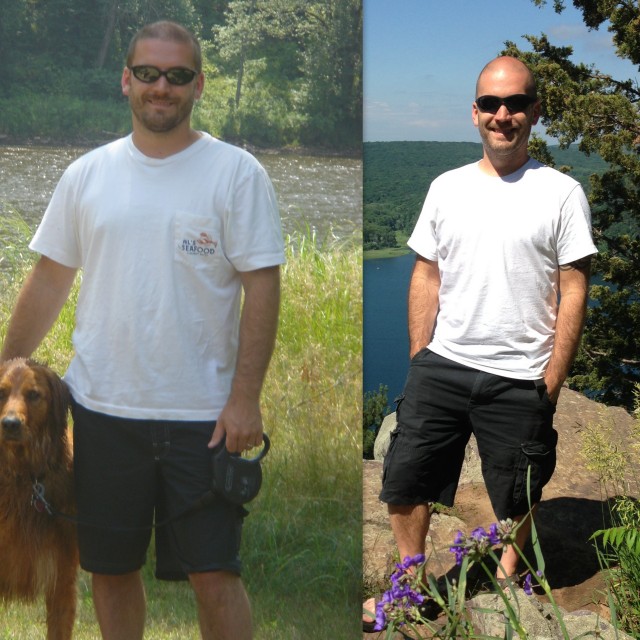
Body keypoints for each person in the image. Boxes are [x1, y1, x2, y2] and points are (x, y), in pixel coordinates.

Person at [1, 20, 284, 640]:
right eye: (150, 73)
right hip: (102, 414)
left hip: (204, 420)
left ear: (198, 84)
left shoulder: (236, 174)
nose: (163, 87)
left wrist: (245, 398)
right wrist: (2, 370)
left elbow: (263, 288)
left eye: (178, 75)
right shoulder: (87, 175)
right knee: (110, 570)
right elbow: (50, 280)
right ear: (126, 79)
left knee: (216, 576)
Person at [363, 56, 597, 629]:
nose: (503, 115)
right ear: (475, 113)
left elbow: (573, 288)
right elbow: (426, 273)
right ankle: (410, 583)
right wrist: (421, 356)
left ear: (534, 112)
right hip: (443, 364)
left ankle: (510, 577)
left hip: (521, 373)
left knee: (518, 490)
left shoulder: (562, 193)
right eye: (491, 104)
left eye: (515, 103)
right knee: (406, 477)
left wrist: (552, 379)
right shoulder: (447, 188)